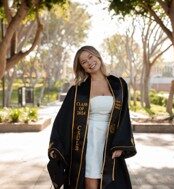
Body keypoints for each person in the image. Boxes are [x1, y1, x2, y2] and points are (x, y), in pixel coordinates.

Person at [47, 46, 137, 189]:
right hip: (87, 141)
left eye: (90, 57)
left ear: (98, 56)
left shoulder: (118, 84)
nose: (89, 62)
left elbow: (124, 116)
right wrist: (56, 147)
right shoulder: (78, 90)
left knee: (110, 181)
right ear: (81, 67)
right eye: (84, 62)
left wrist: (121, 143)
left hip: (110, 139)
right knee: (90, 179)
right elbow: (62, 120)